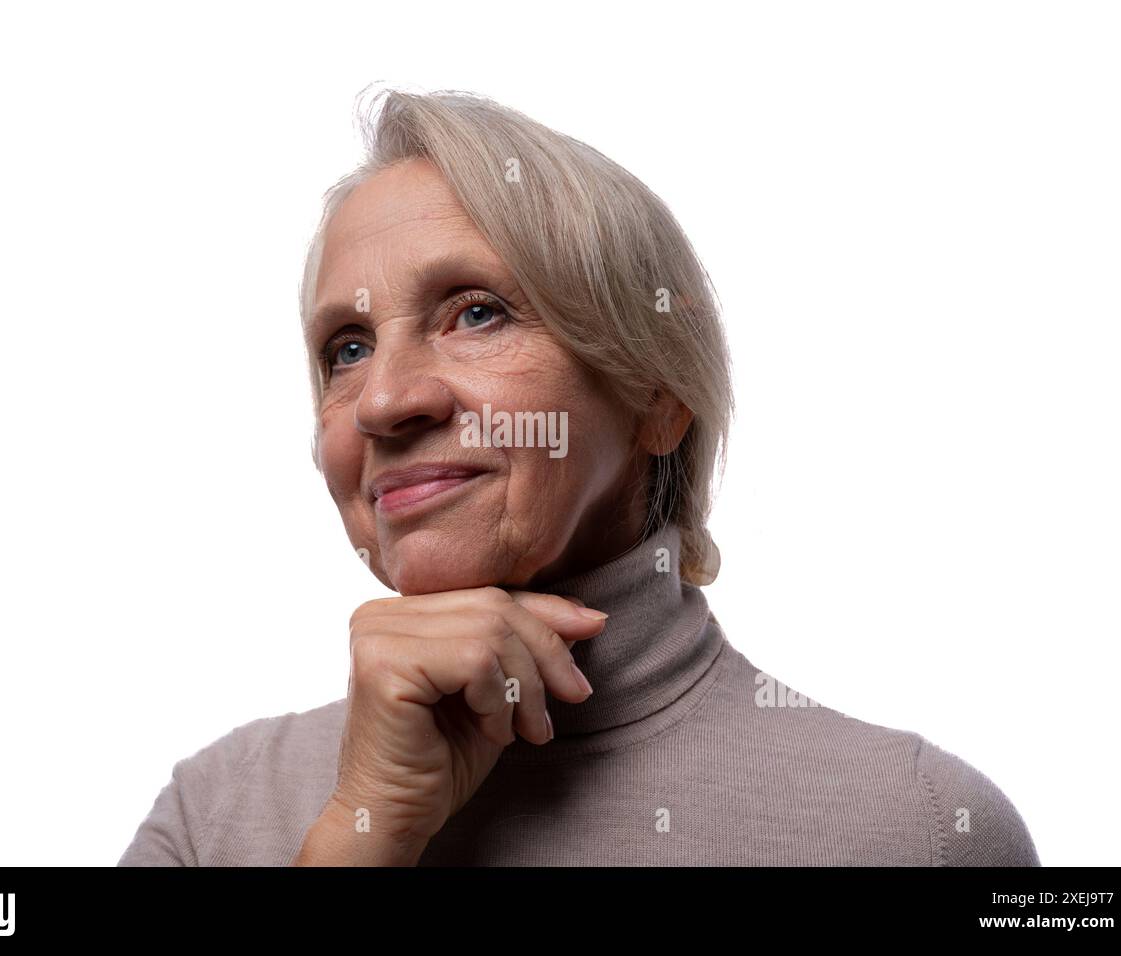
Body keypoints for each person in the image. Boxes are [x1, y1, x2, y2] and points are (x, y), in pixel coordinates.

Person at [117, 89, 1039, 866]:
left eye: (476, 314)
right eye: (346, 348)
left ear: (657, 395)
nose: (385, 400)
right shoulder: (217, 815)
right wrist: (358, 839)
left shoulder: (916, 830)